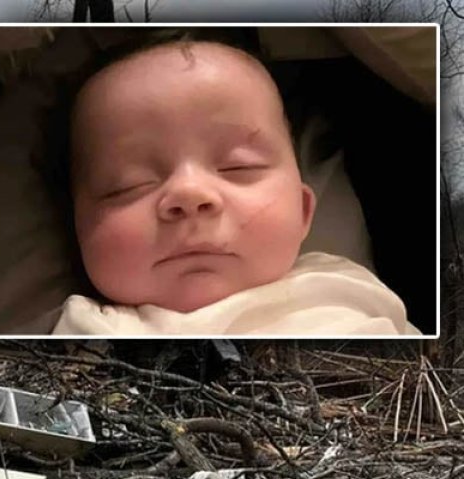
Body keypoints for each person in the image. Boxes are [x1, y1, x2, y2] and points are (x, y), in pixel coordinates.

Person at [48, 38, 419, 336]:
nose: (189, 194)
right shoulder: (93, 330)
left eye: (238, 166)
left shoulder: (346, 286)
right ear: (77, 230)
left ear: (304, 210)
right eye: (129, 185)